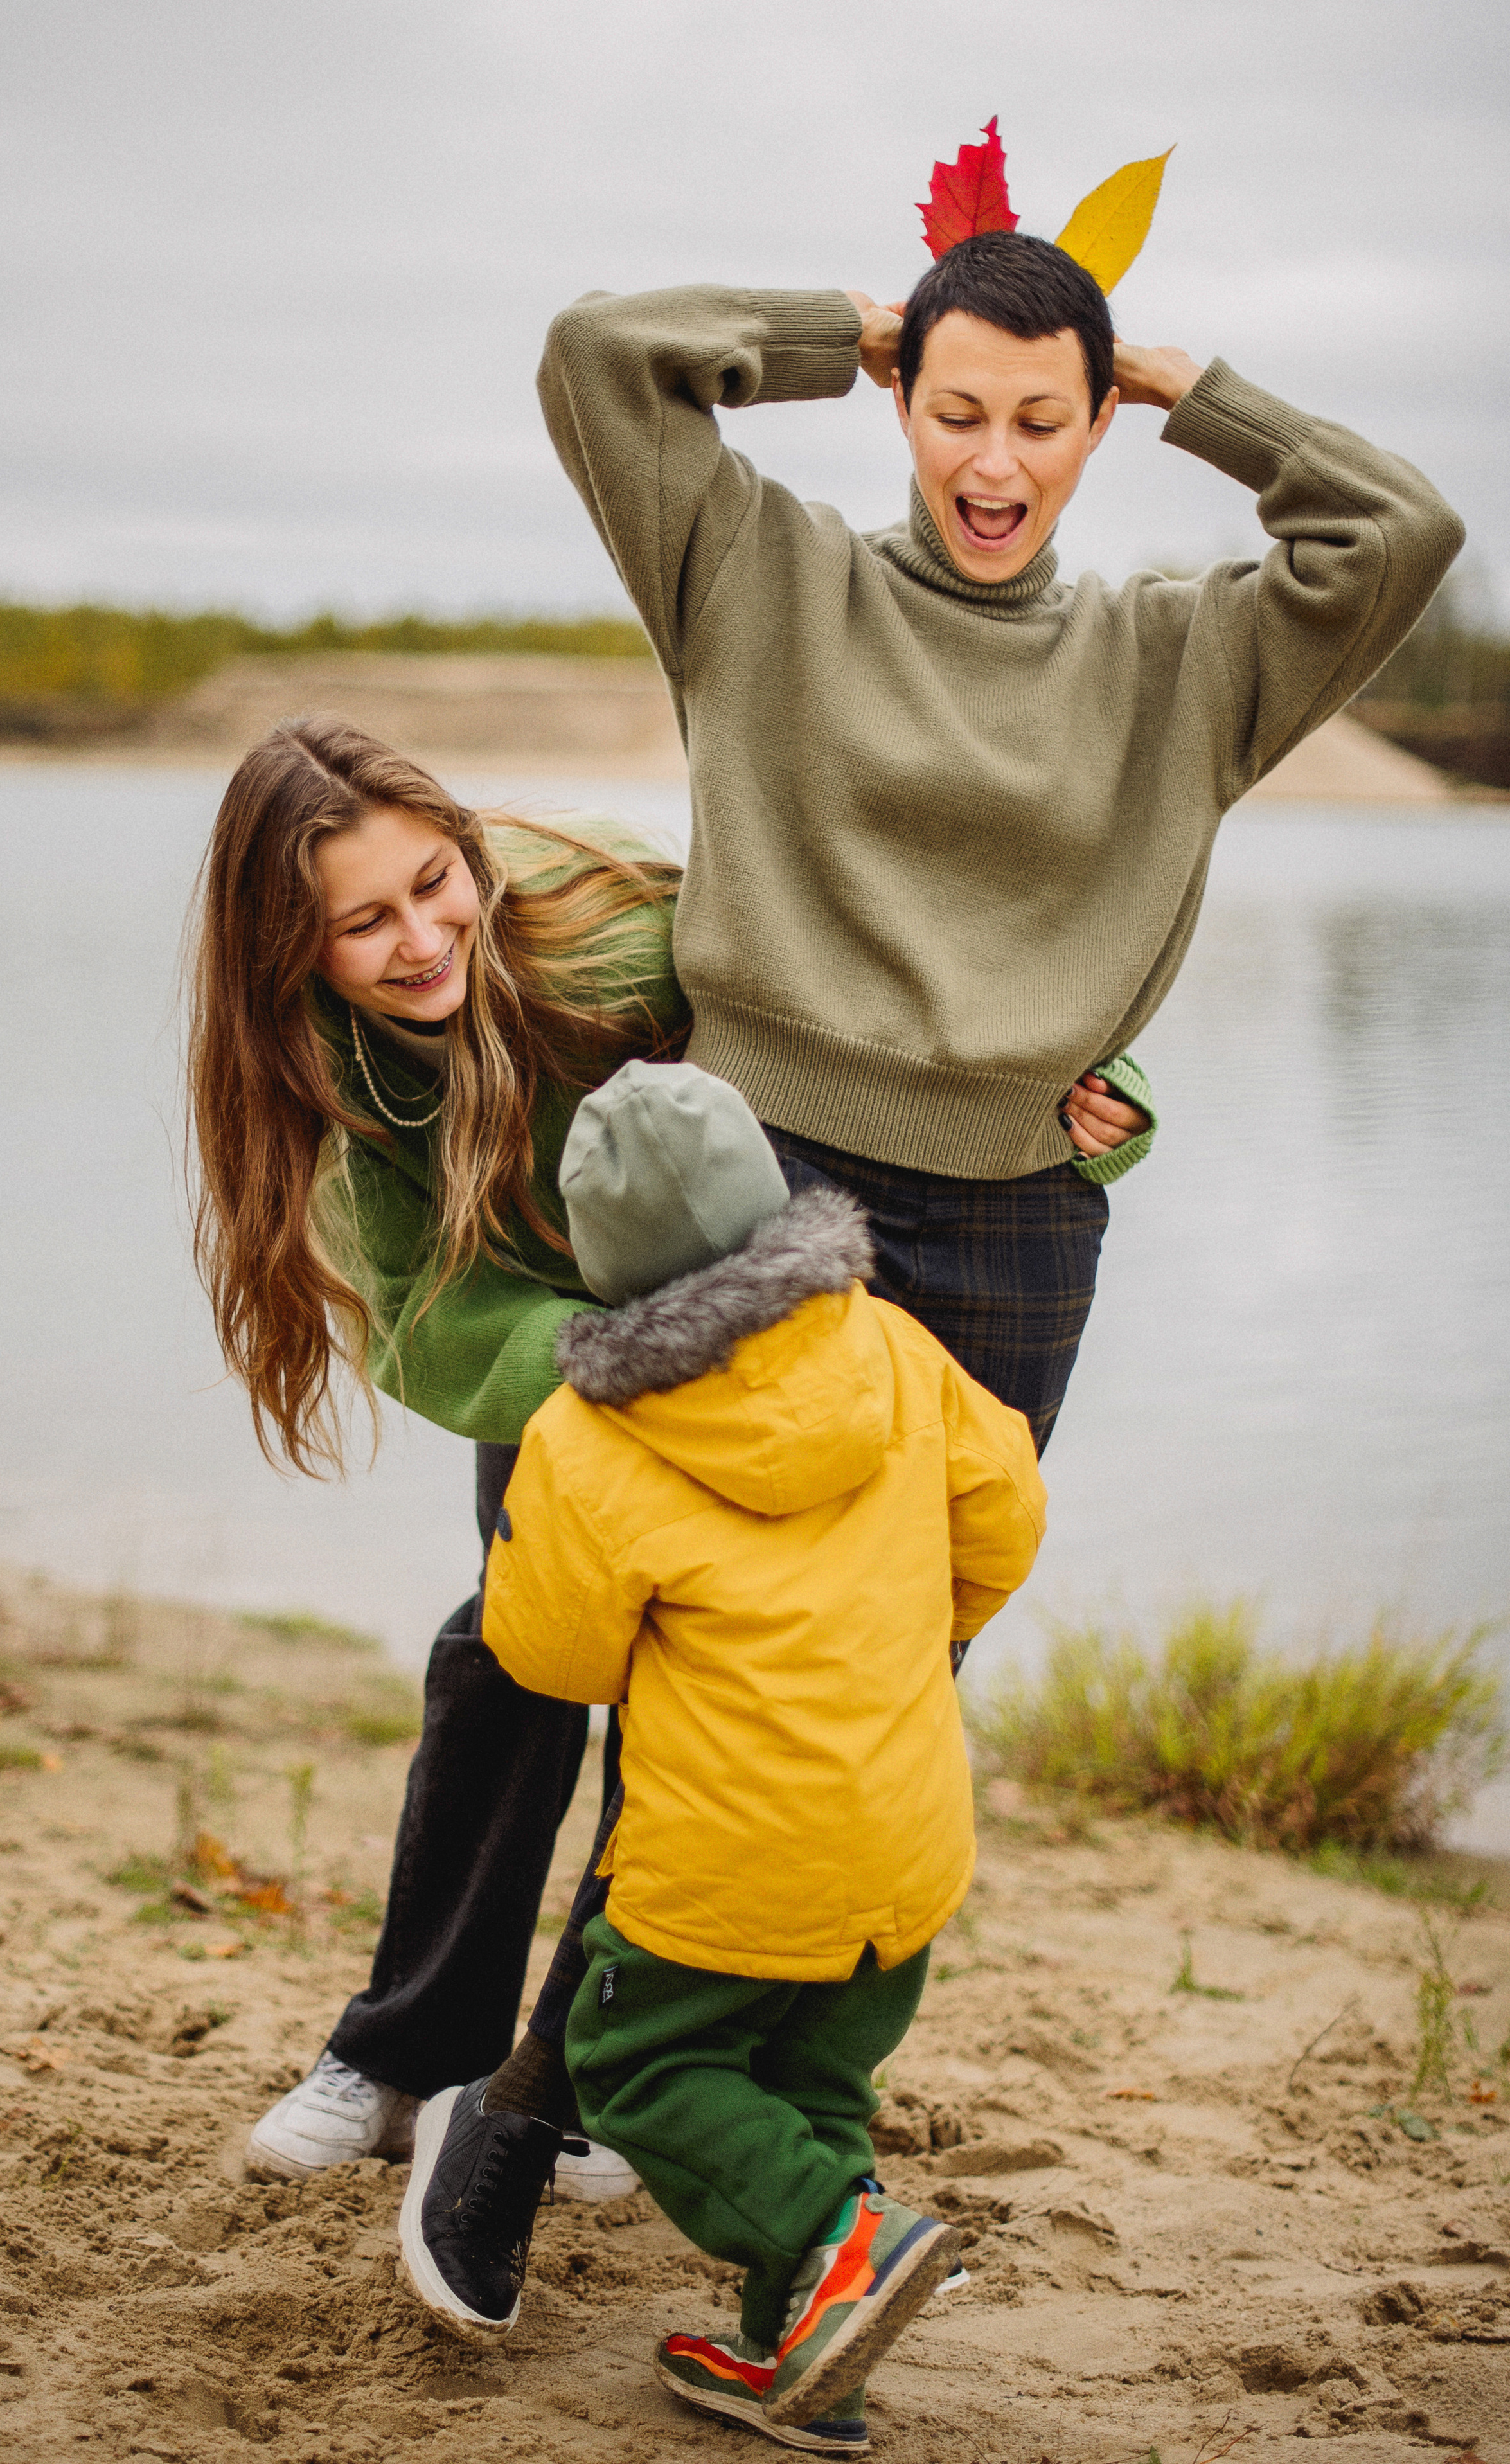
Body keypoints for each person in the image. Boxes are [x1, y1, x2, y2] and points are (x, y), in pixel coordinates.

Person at [396, 220, 1463, 2312]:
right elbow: (601, 355)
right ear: (902, 402)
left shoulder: (1184, 658)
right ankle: (533, 2101)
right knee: (701, 1669)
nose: (995, 458)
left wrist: (1193, 388)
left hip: (1010, 1220)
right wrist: (852, 327)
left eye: (1043, 421)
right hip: (752, 1186)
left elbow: (1399, 530)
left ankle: (705, 2104)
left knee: (869, 1683)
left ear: (1095, 431)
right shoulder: (759, 572)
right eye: (957, 409)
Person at [188, 717, 1151, 2190]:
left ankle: (607, 2072)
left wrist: (1100, 1088)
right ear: (286, 951)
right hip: (561, 1353)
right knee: (508, 1652)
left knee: (719, 1684)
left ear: (467, 852)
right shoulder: (313, 1067)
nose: (421, 939)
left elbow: (881, 962)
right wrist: (606, 1371)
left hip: (763, 1313)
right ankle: (402, 2053)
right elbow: (421, 1317)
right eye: (361, 922)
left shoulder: (615, 920)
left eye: (434, 884)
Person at [404, 1058, 1044, 2453]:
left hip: (726, 1860)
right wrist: (912, 1618)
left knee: (636, 2066)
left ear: (597, 1257)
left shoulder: (588, 1432)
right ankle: (802, 2362)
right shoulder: (893, 1347)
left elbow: (554, 1657)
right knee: (814, 2086)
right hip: (905, 1838)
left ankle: (841, 2240)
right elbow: (1006, 1515)